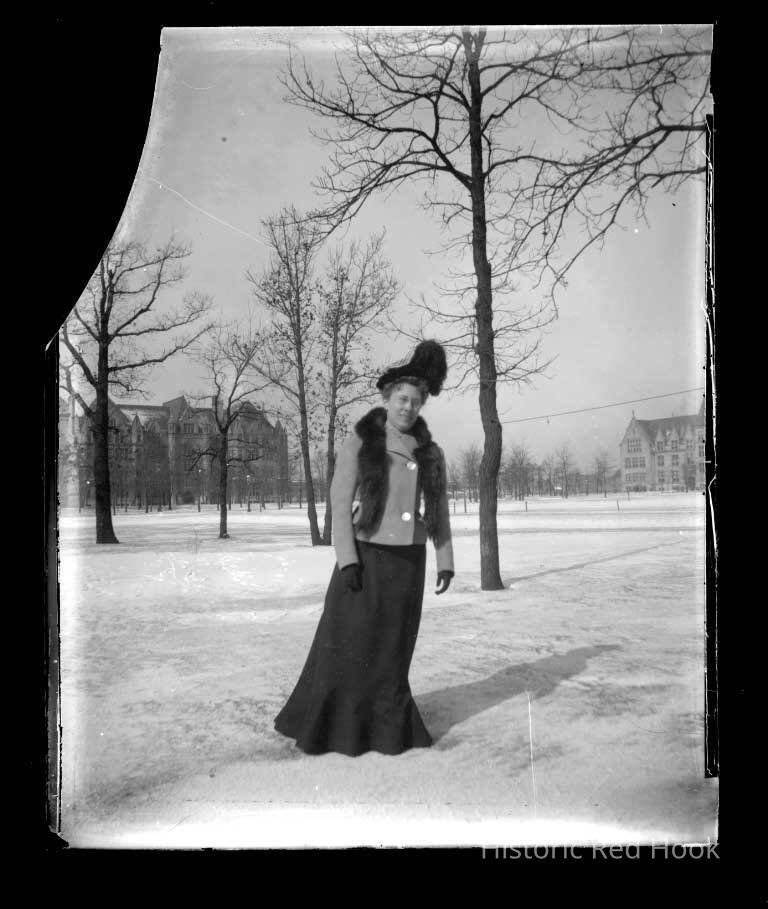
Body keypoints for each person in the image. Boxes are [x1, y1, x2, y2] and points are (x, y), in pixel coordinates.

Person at [274, 340, 454, 756]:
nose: (408, 407)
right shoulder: (362, 440)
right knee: (347, 645)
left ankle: (386, 730)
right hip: (366, 557)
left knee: (392, 651)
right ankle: (336, 728)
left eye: (416, 401)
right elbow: (339, 504)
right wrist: (347, 561)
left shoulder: (431, 452)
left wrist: (445, 560)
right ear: (388, 397)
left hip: (408, 560)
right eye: (402, 399)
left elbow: (439, 509)